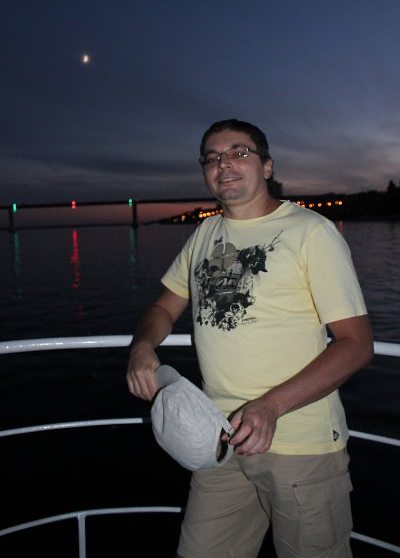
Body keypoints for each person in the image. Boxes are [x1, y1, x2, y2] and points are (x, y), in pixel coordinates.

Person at [126, 118, 373, 558]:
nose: (224, 164)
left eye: (238, 153)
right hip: (219, 440)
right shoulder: (205, 234)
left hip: (299, 446)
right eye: (212, 158)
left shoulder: (311, 232)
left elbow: (356, 344)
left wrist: (271, 406)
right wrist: (143, 347)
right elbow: (163, 308)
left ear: (267, 166)